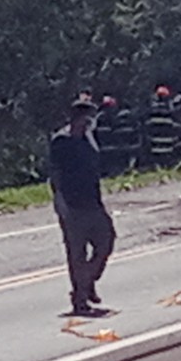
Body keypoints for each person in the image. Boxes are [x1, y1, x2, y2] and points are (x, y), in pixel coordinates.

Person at [49, 98, 116, 315]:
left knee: (106, 241)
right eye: (88, 117)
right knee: (77, 253)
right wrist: (60, 201)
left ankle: (87, 282)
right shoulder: (62, 141)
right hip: (72, 204)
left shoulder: (89, 138)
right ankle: (80, 299)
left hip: (93, 202)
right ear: (78, 117)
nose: (91, 122)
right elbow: (56, 173)